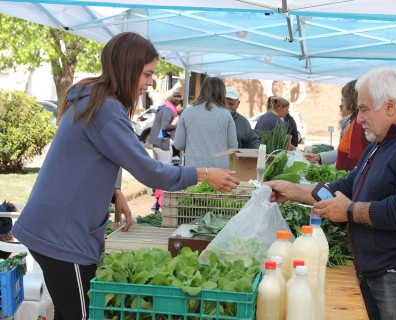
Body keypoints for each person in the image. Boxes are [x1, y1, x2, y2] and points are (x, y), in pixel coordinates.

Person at [11, 32, 239, 320]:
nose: (150, 82)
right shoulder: (105, 109)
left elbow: (84, 161)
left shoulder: (92, 99)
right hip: (62, 237)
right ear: (127, 69)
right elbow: (150, 172)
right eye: (147, 73)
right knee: (80, 315)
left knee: (70, 311)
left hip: (52, 227)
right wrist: (204, 174)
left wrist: (114, 192)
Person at [265, 67, 396, 320]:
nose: (359, 118)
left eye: (363, 109)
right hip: (385, 268)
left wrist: (350, 211)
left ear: (389, 106)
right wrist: (294, 190)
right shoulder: (383, 142)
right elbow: (346, 187)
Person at [304, 80, 370, 170]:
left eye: (343, 102)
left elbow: (354, 157)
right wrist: (319, 157)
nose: (341, 108)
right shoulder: (352, 122)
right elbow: (344, 151)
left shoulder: (358, 124)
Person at [174, 77, 238, 168]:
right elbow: (233, 145)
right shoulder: (226, 114)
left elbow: (178, 144)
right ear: (222, 93)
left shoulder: (187, 112)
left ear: (202, 90)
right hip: (219, 170)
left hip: (194, 170)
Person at [148, 91, 184, 211]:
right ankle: (159, 202)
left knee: (159, 173)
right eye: (181, 106)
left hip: (156, 143)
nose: (181, 109)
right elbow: (165, 126)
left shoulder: (164, 108)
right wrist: (178, 124)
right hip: (162, 145)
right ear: (177, 105)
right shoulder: (168, 111)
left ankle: (157, 202)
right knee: (165, 174)